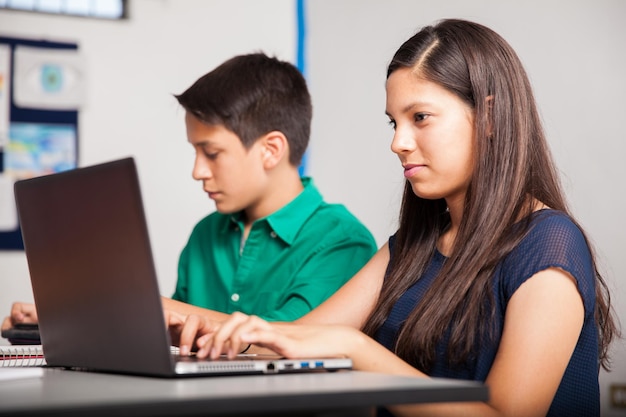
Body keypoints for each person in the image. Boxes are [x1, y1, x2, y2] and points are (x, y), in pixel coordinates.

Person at [173, 19, 619, 417]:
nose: (399, 142)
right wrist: (167, 316)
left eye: (420, 118)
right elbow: (290, 338)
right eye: (394, 123)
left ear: (490, 117)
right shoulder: (412, 246)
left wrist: (354, 347)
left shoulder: (548, 245)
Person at [2, 53, 378, 332]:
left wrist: (152, 307)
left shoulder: (341, 241)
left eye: (212, 154)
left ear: (271, 150)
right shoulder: (205, 235)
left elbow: (293, 340)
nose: (197, 171)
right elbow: (173, 332)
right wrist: (72, 316)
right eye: (195, 152)